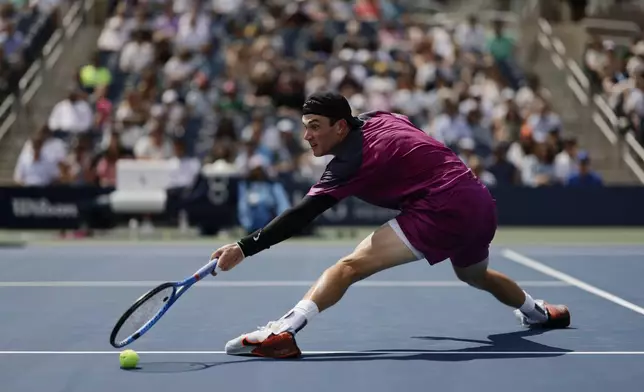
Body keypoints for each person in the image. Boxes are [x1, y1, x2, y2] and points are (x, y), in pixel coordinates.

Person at [209, 92, 571, 359]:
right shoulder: (382, 116)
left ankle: (283, 331)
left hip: (440, 208)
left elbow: (302, 214)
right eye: (306, 128)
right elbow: (411, 137)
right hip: (478, 200)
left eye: (315, 127)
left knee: (348, 267)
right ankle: (539, 313)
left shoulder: (350, 162)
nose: (308, 137)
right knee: (475, 275)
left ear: (340, 126)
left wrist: (244, 247)